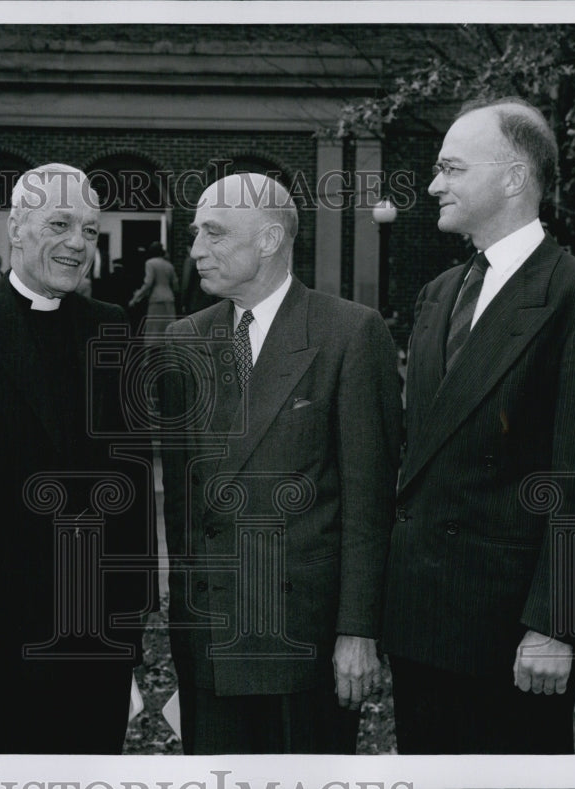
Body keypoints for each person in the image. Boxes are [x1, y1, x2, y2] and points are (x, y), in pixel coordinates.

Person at [381, 97, 575, 754]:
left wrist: (558, 625)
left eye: (451, 168)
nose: (435, 184)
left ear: (513, 177)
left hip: (512, 635)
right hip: (420, 625)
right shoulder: (437, 293)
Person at [159, 173, 402, 754]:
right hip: (209, 636)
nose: (195, 251)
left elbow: (370, 503)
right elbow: (184, 506)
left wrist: (358, 630)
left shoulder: (349, 333)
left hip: (303, 641)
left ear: (268, 240)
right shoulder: (181, 341)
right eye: (196, 234)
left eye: (213, 234)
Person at [0, 163, 154, 754]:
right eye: (60, 223)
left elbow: (130, 481)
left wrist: (130, 624)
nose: (78, 243)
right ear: (15, 229)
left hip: (95, 630)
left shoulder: (112, 328)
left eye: (91, 231)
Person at [127, 241, 179, 341]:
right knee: (168, 330)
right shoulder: (169, 265)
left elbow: (148, 283)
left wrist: (135, 299)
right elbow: (176, 285)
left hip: (156, 300)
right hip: (169, 299)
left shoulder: (150, 263)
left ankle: (150, 355)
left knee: (153, 332)